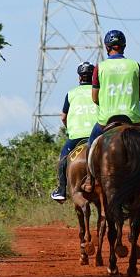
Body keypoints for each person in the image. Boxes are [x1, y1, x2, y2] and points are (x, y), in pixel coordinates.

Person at [81, 29, 140, 196]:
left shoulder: (100, 67)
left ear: (107, 47)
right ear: (124, 46)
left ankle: (89, 179)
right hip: (133, 119)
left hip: (106, 119)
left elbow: (95, 97)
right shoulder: (135, 65)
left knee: (91, 144)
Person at [51, 61, 97, 202]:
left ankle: (61, 190)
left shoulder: (71, 94)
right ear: (93, 76)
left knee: (63, 158)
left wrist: (70, 128)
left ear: (79, 77)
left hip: (76, 136)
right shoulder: (98, 91)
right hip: (97, 134)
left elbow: (63, 117)